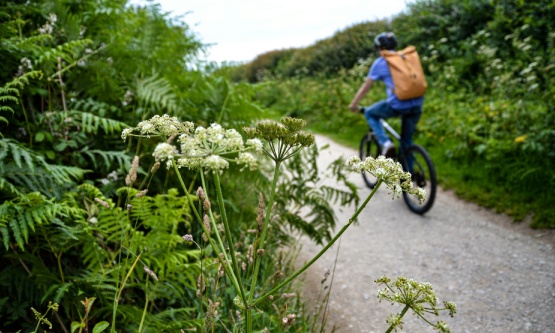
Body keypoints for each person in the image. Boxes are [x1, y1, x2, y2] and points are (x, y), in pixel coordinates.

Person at [348, 32, 424, 158]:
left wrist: (354, 104)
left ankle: (386, 143)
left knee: (370, 113)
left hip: (398, 104)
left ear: (379, 48)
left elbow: (366, 87)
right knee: (406, 141)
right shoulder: (405, 58)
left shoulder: (381, 62)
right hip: (417, 103)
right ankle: (409, 175)